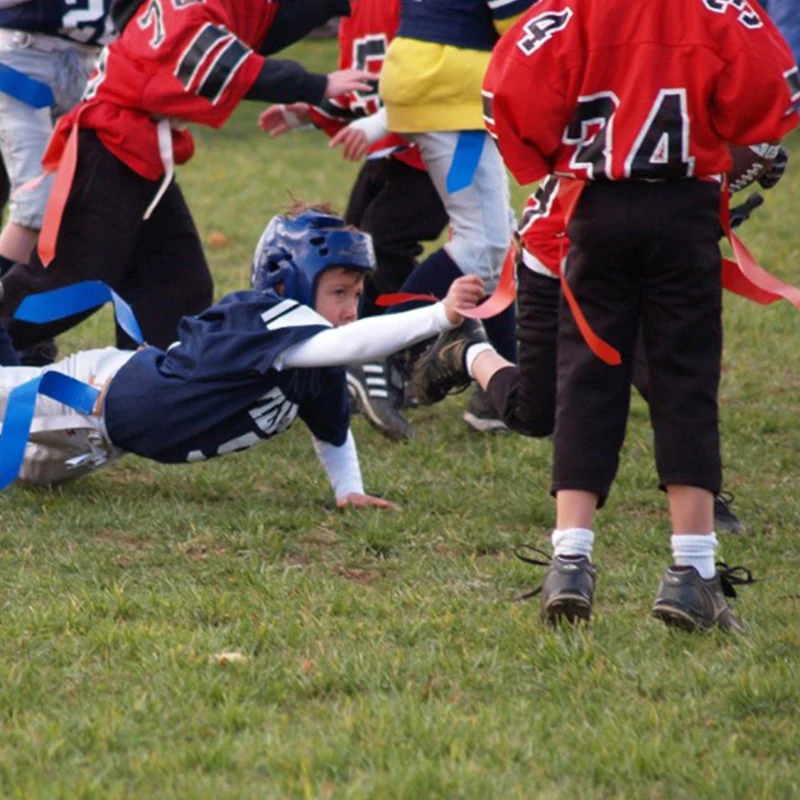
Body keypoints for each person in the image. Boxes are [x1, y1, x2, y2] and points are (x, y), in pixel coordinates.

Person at [415, 0, 799, 632]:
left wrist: (553, 159)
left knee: (590, 380)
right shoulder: (720, 11)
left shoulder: (568, 11)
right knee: (682, 386)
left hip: (593, 209)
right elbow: (774, 92)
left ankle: (570, 561)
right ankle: (693, 571)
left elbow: (505, 92)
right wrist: (731, 139)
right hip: (671, 210)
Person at [0, 206, 484, 506]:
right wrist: (438, 316)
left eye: (357, 295)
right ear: (284, 284)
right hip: (87, 394)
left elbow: (333, 433)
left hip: (104, 444)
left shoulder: (315, 365)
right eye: (338, 292)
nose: (350, 309)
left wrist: (348, 491)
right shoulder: (263, 317)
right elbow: (348, 343)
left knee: (29, 481)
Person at [0, 0, 372, 356]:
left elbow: (254, 29)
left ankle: (152, 387)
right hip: (113, 147)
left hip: (141, 154)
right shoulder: (187, 8)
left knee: (177, 284)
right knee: (72, 288)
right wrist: (314, 85)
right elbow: (217, 62)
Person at [327, 0, 539, 434]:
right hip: (454, 89)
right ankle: (374, 349)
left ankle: (499, 387)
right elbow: (522, 22)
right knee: (483, 244)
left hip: (436, 80)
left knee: (493, 238)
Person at [258, 0, 448, 441]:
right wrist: (311, 112)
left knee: (385, 248)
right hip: (389, 150)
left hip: (436, 148)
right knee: (352, 254)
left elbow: (430, 74)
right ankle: (375, 355)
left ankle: (406, 353)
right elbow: (361, 85)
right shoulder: (351, 8)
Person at [0, 0, 114, 365]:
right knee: (36, 208)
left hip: (90, 69)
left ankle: (26, 334)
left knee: (77, 209)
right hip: (22, 59)